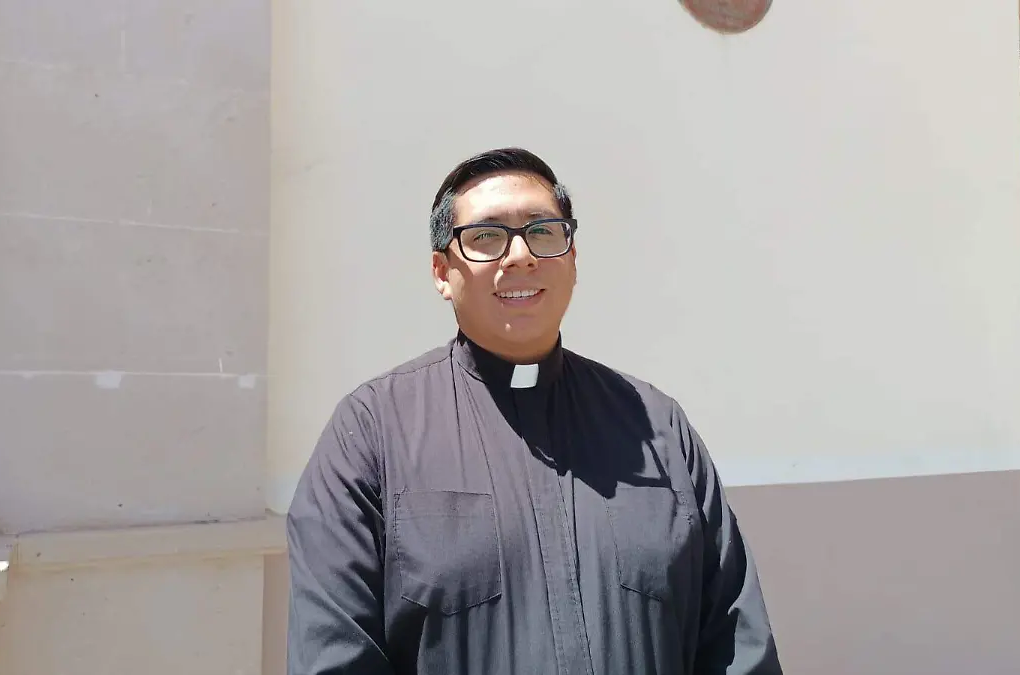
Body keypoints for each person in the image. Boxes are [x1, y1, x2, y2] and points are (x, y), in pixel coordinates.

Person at [285, 147, 783, 674]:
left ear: (573, 258)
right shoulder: (373, 433)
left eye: (543, 231)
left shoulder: (656, 427)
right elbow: (334, 657)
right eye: (485, 236)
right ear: (442, 272)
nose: (520, 255)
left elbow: (735, 643)